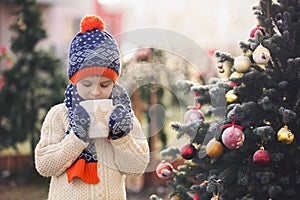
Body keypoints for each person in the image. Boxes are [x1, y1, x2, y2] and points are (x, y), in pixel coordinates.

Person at [34, 15, 150, 200]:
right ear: (74, 80)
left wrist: (121, 137)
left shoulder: (124, 116)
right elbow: (45, 165)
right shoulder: (59, 115)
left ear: (114, 84)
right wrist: (77, 137)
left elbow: (136, 168)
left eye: (104, 85)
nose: (95, 92)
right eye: (87, 84)